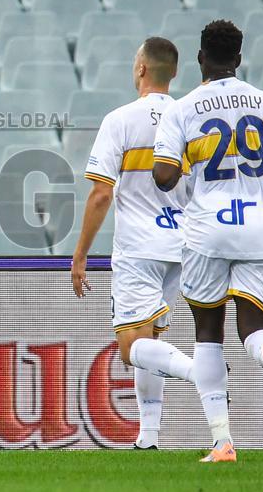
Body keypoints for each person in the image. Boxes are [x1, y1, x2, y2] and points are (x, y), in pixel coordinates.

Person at [152, 20, 263, 463]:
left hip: (208, 231)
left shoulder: (183, 109)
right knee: (253, 328)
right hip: (260, 230)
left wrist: (178, 170)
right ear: (239, 59)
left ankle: (222, 442)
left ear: (200, 57)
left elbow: (163, 176)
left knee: (208, 334)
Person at [71, 37, 196, 450]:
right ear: (173, 72)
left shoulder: (121, 120)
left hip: (139, 248)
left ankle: (198, 372)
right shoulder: (189, 119)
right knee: (150, 343)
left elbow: (101, 194)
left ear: (141, 68)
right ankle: (148, 435)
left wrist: (80, 254)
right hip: (181, 247)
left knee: (131, 347)